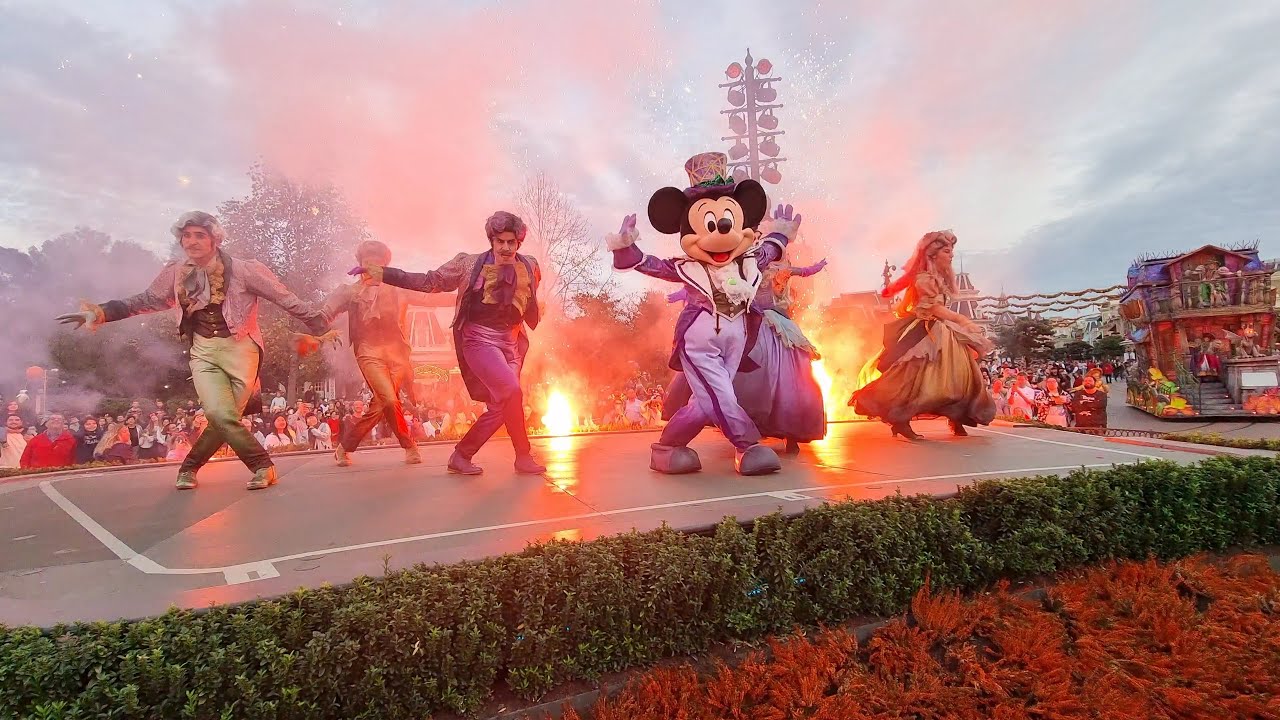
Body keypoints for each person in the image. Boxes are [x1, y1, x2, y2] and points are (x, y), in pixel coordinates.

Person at [56, 210, 330, 490]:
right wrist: (103, 312)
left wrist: (320, 322)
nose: (192, 241)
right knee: (219, 414)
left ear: (215, 239)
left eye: (200, 235)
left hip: (241, 350)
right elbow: (148, 299)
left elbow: (285, 298)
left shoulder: (245, 269)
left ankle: (189, 468)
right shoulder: (176, 272)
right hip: (203, 351)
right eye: (186, 235)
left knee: (225, 418)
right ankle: (262, 466)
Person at [607, 152, 801, 475]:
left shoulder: (748, 262)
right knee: (721, 393)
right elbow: (651, 265)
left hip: (736, 338)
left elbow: (769, 250)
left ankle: (667, 447)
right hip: (699, 339)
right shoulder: (688, 268)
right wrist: (626, 246)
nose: (722, 232)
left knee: (704, 402)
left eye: (728, 221)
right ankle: (747, 446)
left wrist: (780, 232)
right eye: (709, 224)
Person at [355, 211, 546, 475]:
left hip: (511, 342)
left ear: (518, 243)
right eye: (500, 241)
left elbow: (529, 293)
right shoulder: (468, 264)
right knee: (511, 391)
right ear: (491, 240)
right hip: (478, 340)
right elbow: (429, 281)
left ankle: (461, 456)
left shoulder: (530, 265)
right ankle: (523, 456)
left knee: (503, 405)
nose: (505, 248)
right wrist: (384, 273)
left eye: (511, 242)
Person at [849, 230, 995, 439]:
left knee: (961, 378)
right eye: (947, 251)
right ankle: (901, 420)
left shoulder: (938, 277)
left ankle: (957, 417)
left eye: (952, 250)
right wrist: (962, 320)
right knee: (915, 380)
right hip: (925, 333)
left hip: (944, 333)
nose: (951, 255)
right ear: (933, 255)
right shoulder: (924, 278)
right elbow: (934, 308)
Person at [302, 240, 422, 467]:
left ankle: (345, 447)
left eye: (378, 265)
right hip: (369, 351)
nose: (371, 270)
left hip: (397, 354)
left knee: (382, 403)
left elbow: (430, 295)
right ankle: (409, 445)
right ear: (359, 264)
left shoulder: (399, 290)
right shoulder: (348, 292)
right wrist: (314, 334)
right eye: (367, 264)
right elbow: (324, 315)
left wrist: (470, 294)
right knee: (387, 398)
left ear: (385, 266)